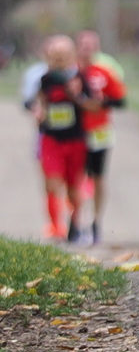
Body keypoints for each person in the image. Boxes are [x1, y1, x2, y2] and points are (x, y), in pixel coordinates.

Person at [22, 35, 98, 244]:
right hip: (51, 139)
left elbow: (94, 106)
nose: (59, 60)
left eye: (63, 55)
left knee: (74, 188)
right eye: (55, 55)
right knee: (52, 183)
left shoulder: (80, 78)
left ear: (72, 56)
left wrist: (76, 95)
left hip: (75, 140)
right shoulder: (45, 79)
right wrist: (38, 110)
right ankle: (56, 228)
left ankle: (75, 222)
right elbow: (37, 101)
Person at [74, 31, 128, 248]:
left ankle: (96, 222)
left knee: (98, 177)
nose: (87, 48)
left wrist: (100, 103)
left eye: (91, 45)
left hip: (99, 132)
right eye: (83, 44)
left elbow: (120, 100)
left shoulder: (104, 72)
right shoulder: (70, 73)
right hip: (75, 133)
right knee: (75, 179)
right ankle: (75, 221)